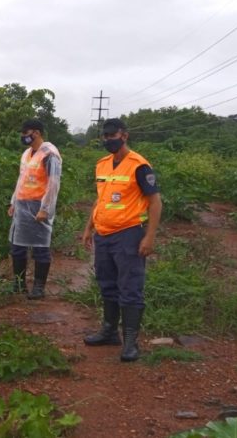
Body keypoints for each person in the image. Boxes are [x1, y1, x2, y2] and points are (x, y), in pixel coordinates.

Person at [81, 118, 162, 362]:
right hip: (103, 234)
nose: (108, 140)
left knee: (130, 286)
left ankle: (130, 342)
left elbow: (155, 202)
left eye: (112, 135)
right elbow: (100, 199)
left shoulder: (139, 165)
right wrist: (88, 227)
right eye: (104, 136)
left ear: (124, 135)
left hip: (128, 234)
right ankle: (109, 331)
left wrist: (149, 236)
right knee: (107, 283)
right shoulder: (102, 164)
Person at [7, 119, 62, 299]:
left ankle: (39, 287)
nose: (23, 137)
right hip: (22, 205)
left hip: (38, 206)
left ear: (36, 133)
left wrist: (45, 208)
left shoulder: (49, 154)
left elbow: (53, 183)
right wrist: (13, 203)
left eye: (26, 133)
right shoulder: (27, 154)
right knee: (17, 247)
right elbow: (21, 179)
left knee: (40, 247)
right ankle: (19, 283)